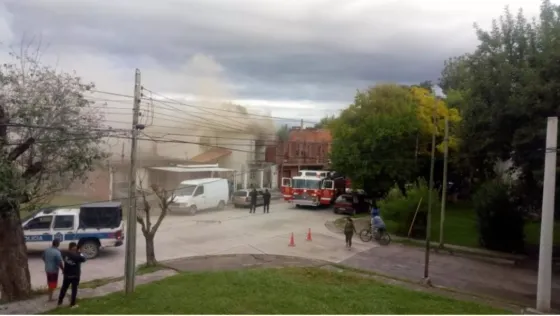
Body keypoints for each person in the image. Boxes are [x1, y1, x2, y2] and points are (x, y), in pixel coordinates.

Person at [58, 242, 86, 308]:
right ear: (75, 247)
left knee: (64, 288)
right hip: (75, 276)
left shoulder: (64, 253)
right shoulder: (77, 256)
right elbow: (84, 259)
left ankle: (60, 301)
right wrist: (79, 252)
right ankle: (72, 304)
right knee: (74, 290)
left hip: (67, 275)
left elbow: (62, 252)